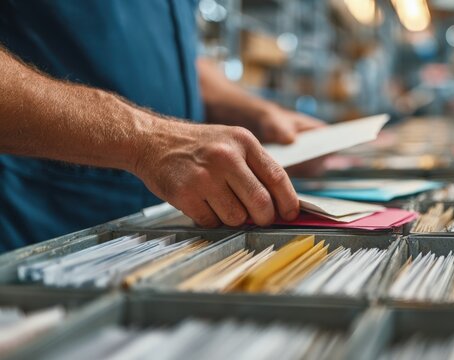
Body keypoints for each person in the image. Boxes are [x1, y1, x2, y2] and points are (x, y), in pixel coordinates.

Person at [0, 2, 323, 252]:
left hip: (164, 225)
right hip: (41, 225)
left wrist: (259, 112)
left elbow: (180, 57)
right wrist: (149, 140)